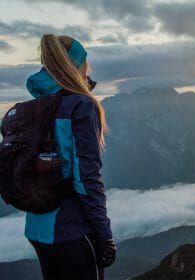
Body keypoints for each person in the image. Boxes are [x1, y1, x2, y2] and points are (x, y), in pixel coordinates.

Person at [24, 33, 116, 280]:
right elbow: (86, 178)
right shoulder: (80, 106)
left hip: (37, 227)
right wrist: (104, 234)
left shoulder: (35, 106)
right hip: (72, 230)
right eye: (86, 63)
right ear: (77, 66)